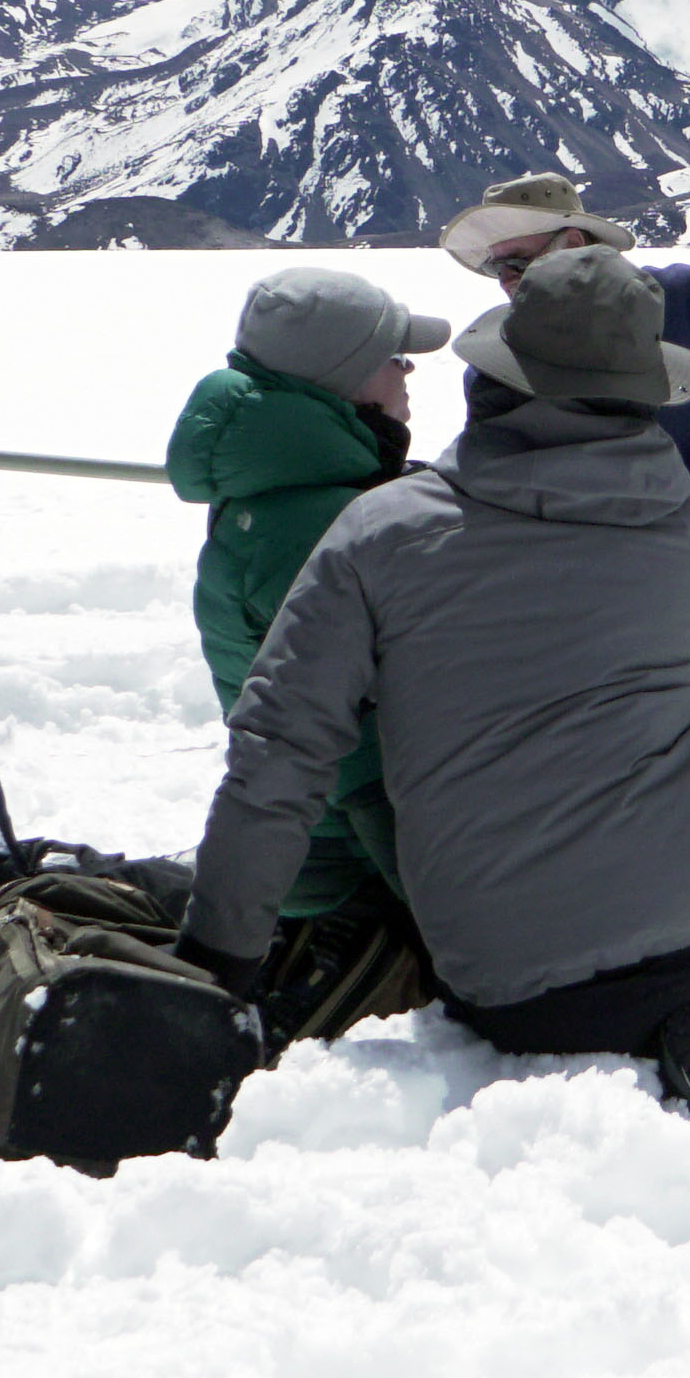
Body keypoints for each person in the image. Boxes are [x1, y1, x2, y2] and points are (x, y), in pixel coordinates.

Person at [179, 245, 690, 1117]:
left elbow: (276, 753)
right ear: (644, 397)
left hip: (496, 981)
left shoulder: (381, 532)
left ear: (492, 380)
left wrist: (217, 968)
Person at [168, 262, 447, 1021]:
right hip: (350, 874)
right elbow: (360, 758)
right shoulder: (323, 528)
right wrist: (458, 926)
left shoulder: (280, 491)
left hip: (311, 861)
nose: (408, 372)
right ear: (349, 382)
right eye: (395, 358)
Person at [434, 170, 690, 497]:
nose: (506, 281)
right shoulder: (496, 362)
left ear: (574, 243)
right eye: (496, 268)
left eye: (519, 263)